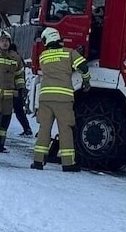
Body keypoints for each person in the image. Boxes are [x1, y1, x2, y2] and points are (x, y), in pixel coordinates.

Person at [31, 27, 90, 172]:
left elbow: (55, 66)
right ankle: (68, 163)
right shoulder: (69, 53)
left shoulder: (43, 56)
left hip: (45, 98)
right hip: (63, 99)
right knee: (65, 129)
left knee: (44, 129)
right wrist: (86, 81)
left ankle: (38, 161)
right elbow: (83, 66)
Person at [8, 42, 34, 137]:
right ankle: (27, 129)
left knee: (9, 111)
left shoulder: (13, 59)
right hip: (18, 88)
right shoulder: (19, 58)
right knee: (19, 111)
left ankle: (27, 129)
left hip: (13, 88)